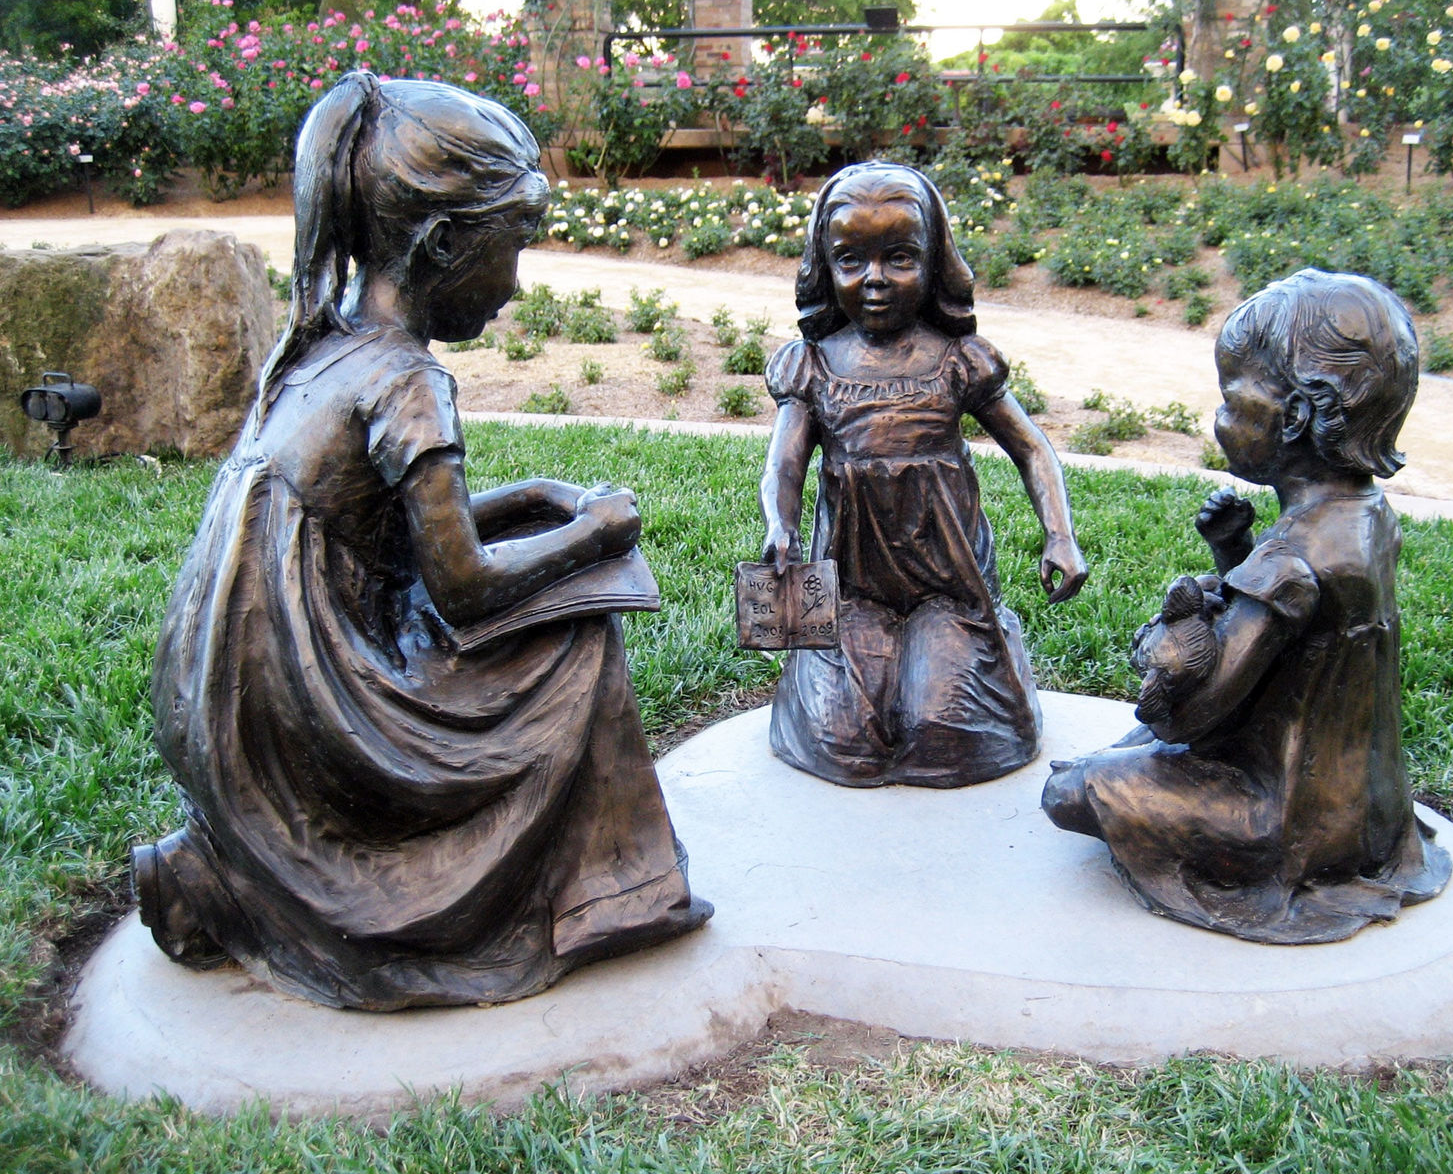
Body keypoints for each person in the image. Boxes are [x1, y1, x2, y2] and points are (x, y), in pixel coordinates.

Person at [131, 72, 709, 1010]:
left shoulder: (320, 350)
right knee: (575, 639)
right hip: (327, 717)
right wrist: (594, 534)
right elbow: (464, 588)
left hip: (244, 715)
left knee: (554, 578)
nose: (516, 287)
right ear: (443, 244)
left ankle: (227, 875)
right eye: (510, 252)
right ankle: (601, 900)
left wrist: (533, 496)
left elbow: (385, 528)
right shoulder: (406, 382)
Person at [1042, 269, 1451, 943]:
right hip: (1368, 814)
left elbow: (1194, 717)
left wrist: (1171, 655)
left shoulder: (1286, 561)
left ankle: (1256, 866)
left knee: (1073, 790)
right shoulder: (1367, 518)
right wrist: (1234, 552)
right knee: (1120, 758)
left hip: (1283, 821)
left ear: (1293, 416)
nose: (1220, 419)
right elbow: (1299, 640)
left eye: (1232, 400)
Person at [757, 161, 1088, 788]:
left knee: (947, 736)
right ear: (825, 265)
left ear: (934, 262)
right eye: (851, 260)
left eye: (900, 258)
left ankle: (987, 645)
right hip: (850, 591)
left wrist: (1060, 535)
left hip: (948, 589)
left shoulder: (959, 361)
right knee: (843, 743)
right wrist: (780, 526)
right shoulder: (813, 366)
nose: (874, 279)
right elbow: (784, 465)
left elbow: (1032, 448)